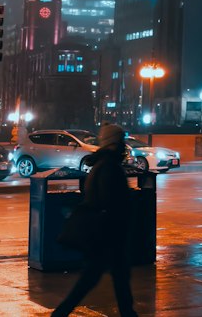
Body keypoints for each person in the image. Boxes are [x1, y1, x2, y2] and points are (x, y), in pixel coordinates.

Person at [51, 124, 137, 317]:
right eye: (121, 141)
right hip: (107, 234)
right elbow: (111, 202)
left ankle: (127, 313)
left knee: (108, 277)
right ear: (114, 143)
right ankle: (61, 312)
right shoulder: (109, 167)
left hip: (104, 232)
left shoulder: (102, 164)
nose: (124, 146)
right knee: (98, 278)